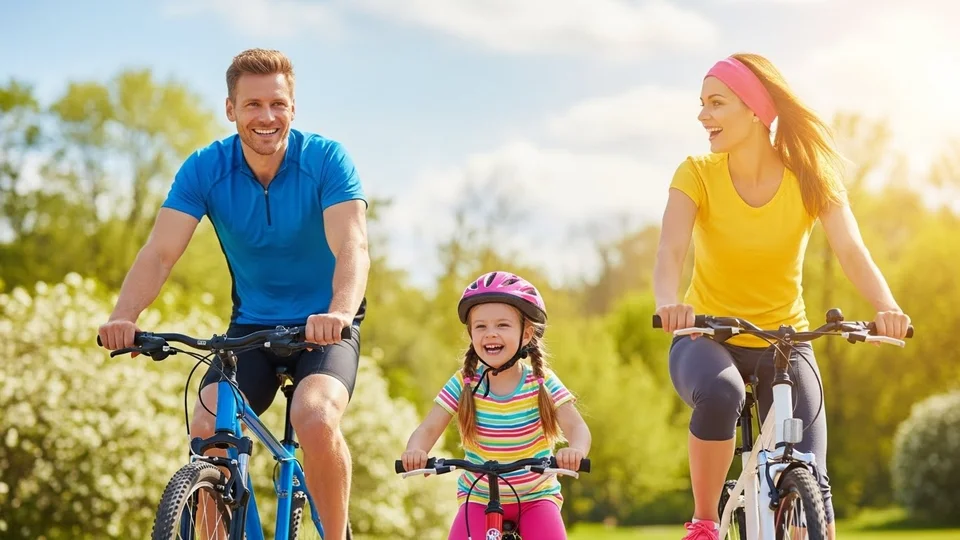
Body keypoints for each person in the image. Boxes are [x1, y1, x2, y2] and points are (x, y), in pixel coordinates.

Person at [96, 48, 368, 540]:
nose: (267, 117)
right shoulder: (206, 168)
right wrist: (124, 316)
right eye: (252, 105)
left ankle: (336, 536)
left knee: (313, 415)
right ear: (230, 109)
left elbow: (352, 245)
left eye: (278, 104)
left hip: (326, 325)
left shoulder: (326, 160)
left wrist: (339, 311)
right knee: (206, 426)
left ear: (293, 107)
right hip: (252, 329)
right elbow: (160, 252)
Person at [653, 53, 911, 540]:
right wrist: (670, 301)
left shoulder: (809, 176)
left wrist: (887, 307)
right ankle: (705, 520)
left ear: (754, 109)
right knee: (723, 392)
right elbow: (670, 250)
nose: (703, 115)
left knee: (814, 475)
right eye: (701, 104)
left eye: (716, 103)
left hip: (784, 341)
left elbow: (852, 249)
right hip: (705, 336)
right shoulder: (696, 173)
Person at [400, 271, 592, 540]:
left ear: (526, 335)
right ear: (471, 334)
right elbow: (429, 428)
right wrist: (415, 450)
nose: (491, 334)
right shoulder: (464, 382)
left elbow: (577, 427)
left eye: (502, 325)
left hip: (536, 495)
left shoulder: (540, 381)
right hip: (477, 496)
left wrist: (575, 451)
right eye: (481, 326)